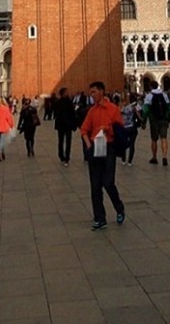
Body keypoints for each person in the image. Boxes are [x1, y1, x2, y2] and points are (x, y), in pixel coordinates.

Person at [80, 81, 125, 231]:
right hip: (94, 150)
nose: (91, 95)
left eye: (93, 92)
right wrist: (88, 147)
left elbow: (120, 129)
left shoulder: (113, 109)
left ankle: (119, 208)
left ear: (101, 92)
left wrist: (108, 129)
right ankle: (100, 218)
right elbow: (84, 130)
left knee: (108, 182)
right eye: (91, 92)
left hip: (109, 148)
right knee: (95, 186)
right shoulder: (92, 111)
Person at [142, 80, 170, 166]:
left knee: (154, 139)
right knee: (164, 138)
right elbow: (168, 108)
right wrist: (168, 119)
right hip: (163, 120)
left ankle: (154, 157)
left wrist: (144, 122)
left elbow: (146, 110)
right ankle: (164, 156)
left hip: (154, 120)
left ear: (151, 87)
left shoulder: (149, 96)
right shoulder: (164, 95)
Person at [53, 87, 77, 166]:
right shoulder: (69, 102)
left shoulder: (58, 102)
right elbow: (73, 114)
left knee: (61, 140)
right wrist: (74, 124)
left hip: (61, 125)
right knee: (68, 141)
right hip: (67, 125)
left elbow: (55, 113)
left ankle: (61, 156)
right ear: (63, 93)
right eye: (66, 92)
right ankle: (66, 157)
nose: (68, 93)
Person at [119, 93, 141, 166]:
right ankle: (130, 161)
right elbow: (139, 114)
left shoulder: (121, 107)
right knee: (132, 144)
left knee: (123, 144)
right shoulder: (133, 106)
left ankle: (123, 160)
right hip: (132, 127)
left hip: (123, 128)